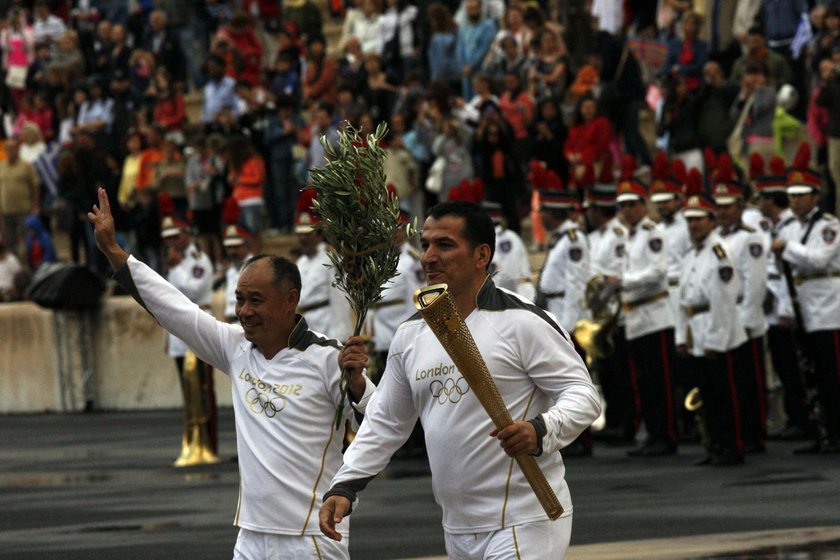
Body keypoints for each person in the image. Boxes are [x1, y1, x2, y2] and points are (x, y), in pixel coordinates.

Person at [87, 187, 375, 558]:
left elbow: (382, 422)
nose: (244, 311)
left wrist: (356, 385)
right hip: (250, 537)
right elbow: (173, 307)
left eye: (256, 300)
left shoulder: (329, 359)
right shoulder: (234, 346)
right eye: (240, 299)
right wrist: (113, 250)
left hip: (312, 538)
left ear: (290, 301)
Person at [319, 200, 601, 559]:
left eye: (444, 245)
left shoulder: (522, 322)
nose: (428, 257)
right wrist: (345, 485)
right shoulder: (411, 336)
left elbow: (583, 395)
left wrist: (540, 430)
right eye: (425, 245)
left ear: (481, 255)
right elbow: (386, 421)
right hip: (457, 527)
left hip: (525, 519)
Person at [771, 147, 840, 454]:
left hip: (829, 310)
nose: (795, 199)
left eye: (802, 194)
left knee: (832, 374)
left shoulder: (829, 226)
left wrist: (787, 248)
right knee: (809, 375)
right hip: (802, 310)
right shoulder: (785, 227)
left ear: (815, 195)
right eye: (792, 194)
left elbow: (819, 261)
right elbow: (781, 273)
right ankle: (820, 430)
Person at [675, 193, 748, 466]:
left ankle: (732, 446)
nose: (693, 225)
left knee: (724, 395)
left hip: (719, 334)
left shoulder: (720, 252)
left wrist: (716, 341)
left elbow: (724, 301)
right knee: (706, 396)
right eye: (689, 220)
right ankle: (715, 444)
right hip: (697, 331)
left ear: (711, 220)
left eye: (698, 219)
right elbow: (683, 300)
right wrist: (682, 336)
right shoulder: (691, 254)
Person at [615, 160, 679, 457]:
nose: (627, 210)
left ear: (644, 205)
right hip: (636, 315)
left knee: (659, 380)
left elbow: (657, 272)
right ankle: (653, 434)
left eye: (632, 204)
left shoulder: (652, 233)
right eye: (623, 205)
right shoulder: (629, 236)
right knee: (644, 380)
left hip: (654, 314)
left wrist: (622, 281)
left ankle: (665, 435)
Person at [712, 169, 770, 454]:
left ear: (741, 206)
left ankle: (755, 434)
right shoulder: (715, 238)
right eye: (719, 206)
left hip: (744, 318)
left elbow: (755, 282)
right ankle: (738, 432)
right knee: (731, 382)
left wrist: (747, 320)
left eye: (728, 206)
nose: (722, 212)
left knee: (750, 380)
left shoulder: (751, 237)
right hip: (724, 318)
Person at [537, 190, 589, 334]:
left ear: (550, 213)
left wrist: (568, 326)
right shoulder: (560, 237)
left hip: (565, 315)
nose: (539, 216)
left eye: (542, 211)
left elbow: (576, 283)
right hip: (554, 311)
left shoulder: (573, 239)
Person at [0, 137, 41, 259]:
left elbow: (36, 186)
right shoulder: (1, 166)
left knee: (27, 241)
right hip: (6, 211)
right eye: (7, 148)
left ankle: (29, 269)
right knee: (9, 243)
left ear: (17, 149)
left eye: (12, 148)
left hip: (24, 211)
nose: (10, 150)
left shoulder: (26, 166)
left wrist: (36, 206)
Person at [222, 225, 254, 323]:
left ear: (247, 245)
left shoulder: (256, 267)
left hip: (249, 323)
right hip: (231, 322)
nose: (232, 251)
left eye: (236, 247)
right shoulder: (231, 270)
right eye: (229, 247)